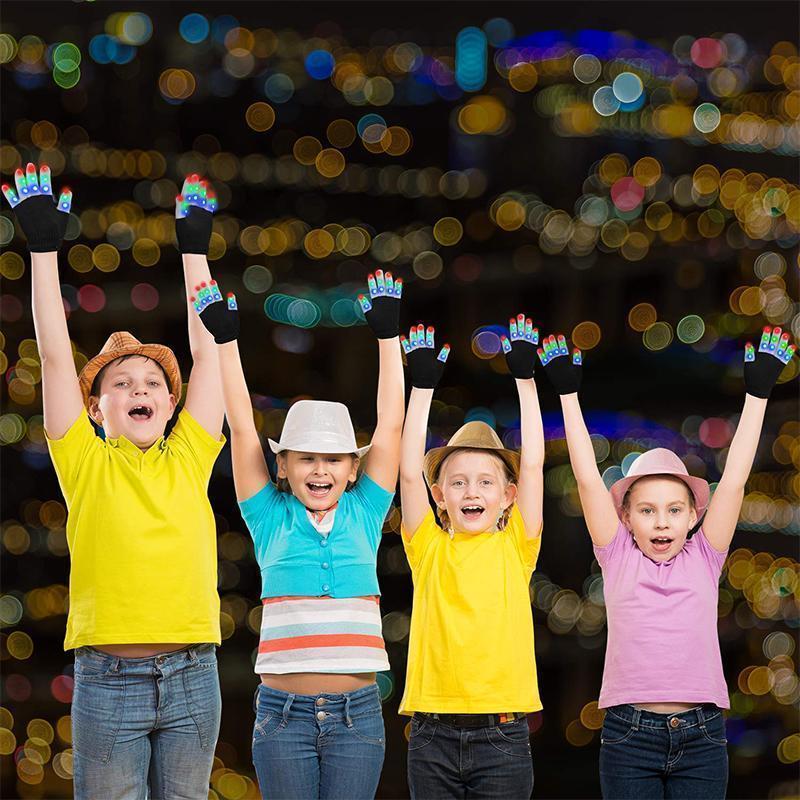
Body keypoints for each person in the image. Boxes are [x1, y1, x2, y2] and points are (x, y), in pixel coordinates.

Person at [3, 168, 227, 800]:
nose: (140, 390)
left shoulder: (190, 454)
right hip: (106, 680)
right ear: (95, 408)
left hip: (193, 674)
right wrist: (43, 249)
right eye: (122, 384)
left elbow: (208, 354)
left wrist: (194, 250)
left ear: (172, 405)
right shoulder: (84, 459)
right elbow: (52, 354)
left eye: (154, 383)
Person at [536, 328, 796, 799]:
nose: (661, 522)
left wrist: (758, 393)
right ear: (626, 517)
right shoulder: (615, 555)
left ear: (694, 516)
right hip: (627, 735)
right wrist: (568, 394)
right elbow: (588, 480)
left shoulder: (705, 554)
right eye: (647, 510)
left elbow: (734, 482)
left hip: (702, 734)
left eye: (674, 510)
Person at [194, 268, 404, 799]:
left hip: (358, 714)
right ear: (282, 467)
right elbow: (242, 427)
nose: (320, 470)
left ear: (353, 469)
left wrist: (387, 337)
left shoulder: (365, 512)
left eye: (333, 459)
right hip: (280, 714)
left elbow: (391, 427)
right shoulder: (268, 516)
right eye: (306, 458)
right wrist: (227, 341)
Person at [398, 314, 544, 799]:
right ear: (439, 495)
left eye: (486, 482)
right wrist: (421, 389)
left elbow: (538, 460)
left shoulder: (516, 545)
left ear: (509, 495)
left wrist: (525, 379)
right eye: (457, 483)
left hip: (502, 734)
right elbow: (405, 470)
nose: (471, 491)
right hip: (430, 734)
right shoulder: (427, 547)